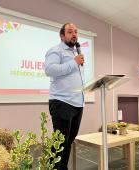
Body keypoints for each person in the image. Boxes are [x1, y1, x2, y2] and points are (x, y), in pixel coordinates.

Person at [45, 23, 85, 170]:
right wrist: (74, 63)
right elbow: (49, 70)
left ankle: (62, 168)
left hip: (77, 103)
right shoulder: (56, 51)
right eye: (70, 32)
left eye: (76, 31)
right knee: (60, 142)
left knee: (68, 141)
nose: (74, 34)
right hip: (62, 102)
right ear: (62, 36)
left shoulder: (76, 53)